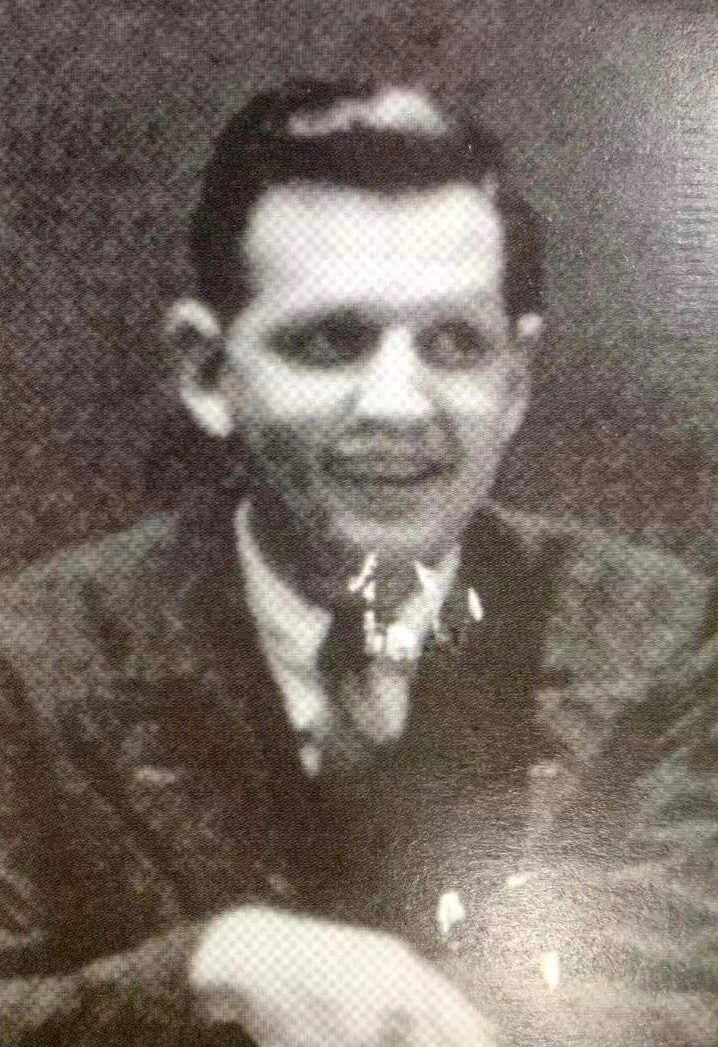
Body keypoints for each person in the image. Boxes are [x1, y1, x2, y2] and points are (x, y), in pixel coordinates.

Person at [0, 79, 716, 1047]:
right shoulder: (33, 666)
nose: (397, 405)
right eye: (330, 342)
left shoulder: (667, 647)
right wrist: (206, 973)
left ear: (514, 382)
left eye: (453, 344)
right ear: (207, 372)